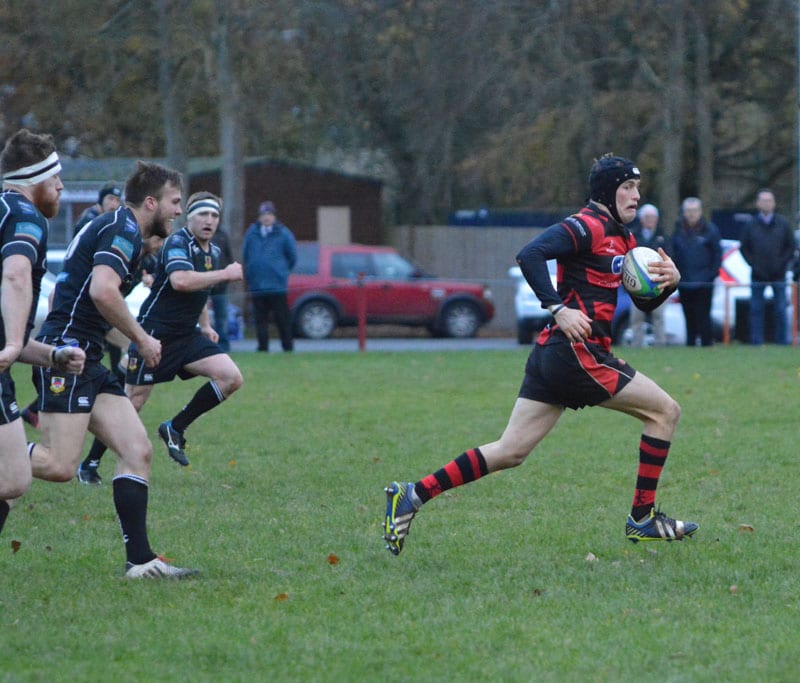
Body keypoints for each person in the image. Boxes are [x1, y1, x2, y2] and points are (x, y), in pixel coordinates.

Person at [382, 154, 698, 556]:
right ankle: (642, 517)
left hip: (555, 354)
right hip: (576, 354)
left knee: (510, 450)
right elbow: (529, 254)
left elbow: (645, 305)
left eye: (637, 188)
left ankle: (411, 494)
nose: (636, 196)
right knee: (665, 412)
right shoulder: (586, 225)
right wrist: (559, 308)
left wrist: (671, 284)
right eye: (627, 188)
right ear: (606, 191)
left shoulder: (624, 239)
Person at [28, 160, 199, 578]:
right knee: (59, 466)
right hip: (68, 357)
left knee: (137, 450)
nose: (179, 212)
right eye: (176, 203)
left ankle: (140, 562)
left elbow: (71, 300)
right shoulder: (122, 228)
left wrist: (125, 343)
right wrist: (140, 339)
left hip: (87, 356)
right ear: (152, 202)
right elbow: (102, 291)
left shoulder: (121, 228)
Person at [77, 191, 244, 482]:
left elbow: (199, 291)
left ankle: (175, 428)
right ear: (188, 217)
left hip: (187, 336)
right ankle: (89, 464)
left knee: (231, 377)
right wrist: (225, 275)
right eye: (202, 214)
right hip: (154, 333)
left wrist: (205, 325)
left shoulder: (213, 252)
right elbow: (181, 281)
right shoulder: (177, 243)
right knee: (133, 402)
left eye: (214, 215)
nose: (209, 221)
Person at [0, 129, 86, 537]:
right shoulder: (25, 216)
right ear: (36, 180)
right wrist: (16, 342)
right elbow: (16, 275)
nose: (61, 188)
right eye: (57, 181)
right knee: (13, 479)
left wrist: (50, 356)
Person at [739, 189, 795, 345]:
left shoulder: (783, 224)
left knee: (780, 309)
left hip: (779, 274)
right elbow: (744, 248)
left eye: (769, 200)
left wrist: (781, 264)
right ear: (757, 204)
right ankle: (756, 341)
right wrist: (754, 265)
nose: (767, 203)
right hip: (758, 274)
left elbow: (790, 247)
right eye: (763, 200)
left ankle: (781, 341)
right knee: (756, 309)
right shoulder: (750, 225)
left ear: (774, 203)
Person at [243, 201, 297, 352]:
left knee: (282, 319)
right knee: (260, 319)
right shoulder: (252, 233)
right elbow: (246, 255)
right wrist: (251, 273)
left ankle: (287, 347)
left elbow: (292, 257)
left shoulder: (283, 233)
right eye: (263, 214)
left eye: (269, 214)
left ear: (274, 216)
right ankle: (262, 347)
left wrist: (282, 272)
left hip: (277, 286)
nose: (266, 217)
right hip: (257, 284)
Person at [671, 197, 721, 347]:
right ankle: (690, 345)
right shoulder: (678, 230)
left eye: (694, 211)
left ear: (700, 212)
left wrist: (711, 274)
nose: (691, 214)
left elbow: (717, 255)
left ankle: (706, 345)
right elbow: (673, 253)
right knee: (689, 316)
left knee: (704, 316)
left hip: (704, 282)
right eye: (688, 211)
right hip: (684, 281)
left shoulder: (710, 230)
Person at [629, 203, 668, 346]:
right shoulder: (633, 236)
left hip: (658, 282)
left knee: (658, 317)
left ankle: (660, 345)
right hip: (638, 283)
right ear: (641, 219)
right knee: (637, 318)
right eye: (647, 217)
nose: (650, 220)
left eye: (653, 217)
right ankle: (636, 345)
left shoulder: (663, 237)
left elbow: (669, 258)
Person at [209, 220, 234, 352]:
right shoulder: (197, 236)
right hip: (203, 284)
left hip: (220, 286)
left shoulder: (222, 236)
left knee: (222, 317)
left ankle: (223, 346)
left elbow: (229, 258)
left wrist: (225, 277)